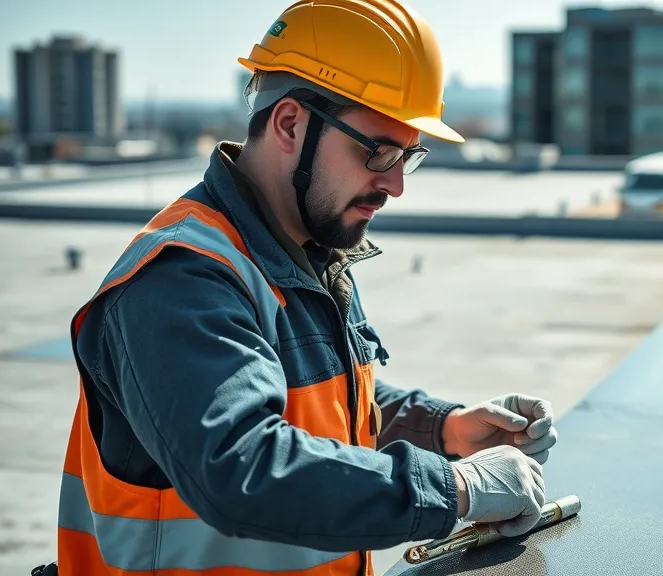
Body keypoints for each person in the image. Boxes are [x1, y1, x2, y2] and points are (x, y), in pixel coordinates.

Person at [47, 1, 557, 575]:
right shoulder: (180, 277)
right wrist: (456, 488)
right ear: (290, 124)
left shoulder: (306, 248)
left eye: (407, 157)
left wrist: (444, 427)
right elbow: (240, 467)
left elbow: (318, 402)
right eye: (379, 151)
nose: (394, 184)